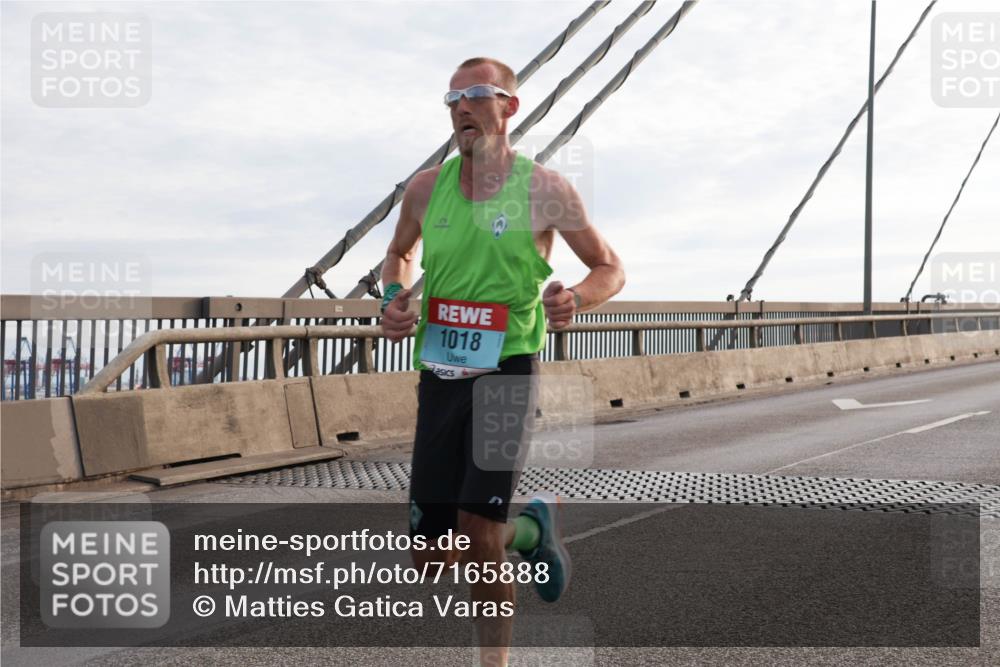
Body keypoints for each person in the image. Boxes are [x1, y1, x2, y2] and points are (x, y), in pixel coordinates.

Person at [379, 56, 625, 666]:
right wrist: (393, 297)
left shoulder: (544, 190)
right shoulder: (424, 189)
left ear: (508, 106)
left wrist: (576, 298)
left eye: (476, 94)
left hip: (506, 372)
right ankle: (533, 532)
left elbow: (610, 268)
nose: (461, 107)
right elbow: (398, 255)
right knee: (430, 556)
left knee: (479, 535)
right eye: (452, 98)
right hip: (440, 373)